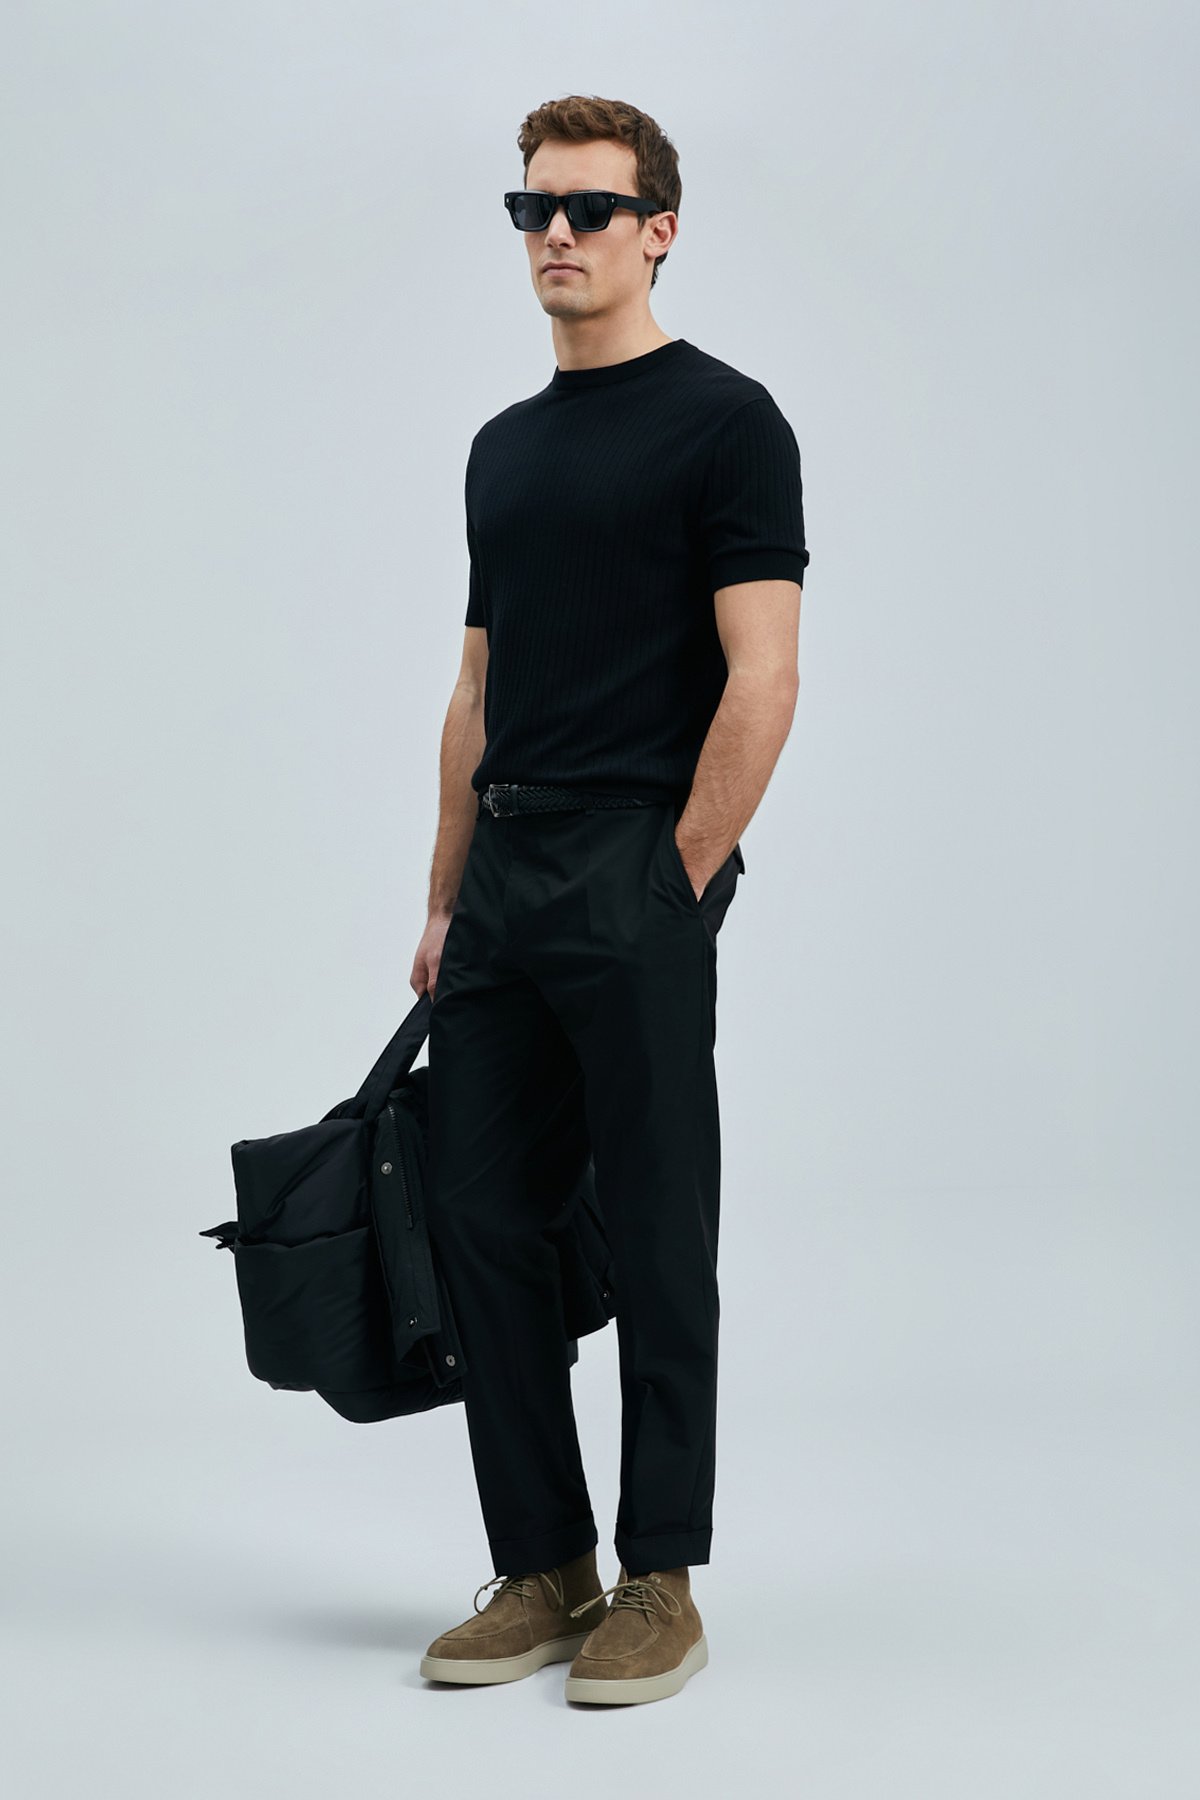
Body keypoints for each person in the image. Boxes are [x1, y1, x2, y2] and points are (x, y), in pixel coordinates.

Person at [411, 93, 809, 1706]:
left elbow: (765, 674)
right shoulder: (502, 449)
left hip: (637, 864)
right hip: (504, 876)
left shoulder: (728, 423)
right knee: (478, 1216)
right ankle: (546, 1566)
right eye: (533, 209)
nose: (556, 233)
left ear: (658, 230)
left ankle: (662, 1578)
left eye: (587, 208)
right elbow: (476, 689)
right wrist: (444, 896)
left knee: (655, 1226)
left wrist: (678, 876)